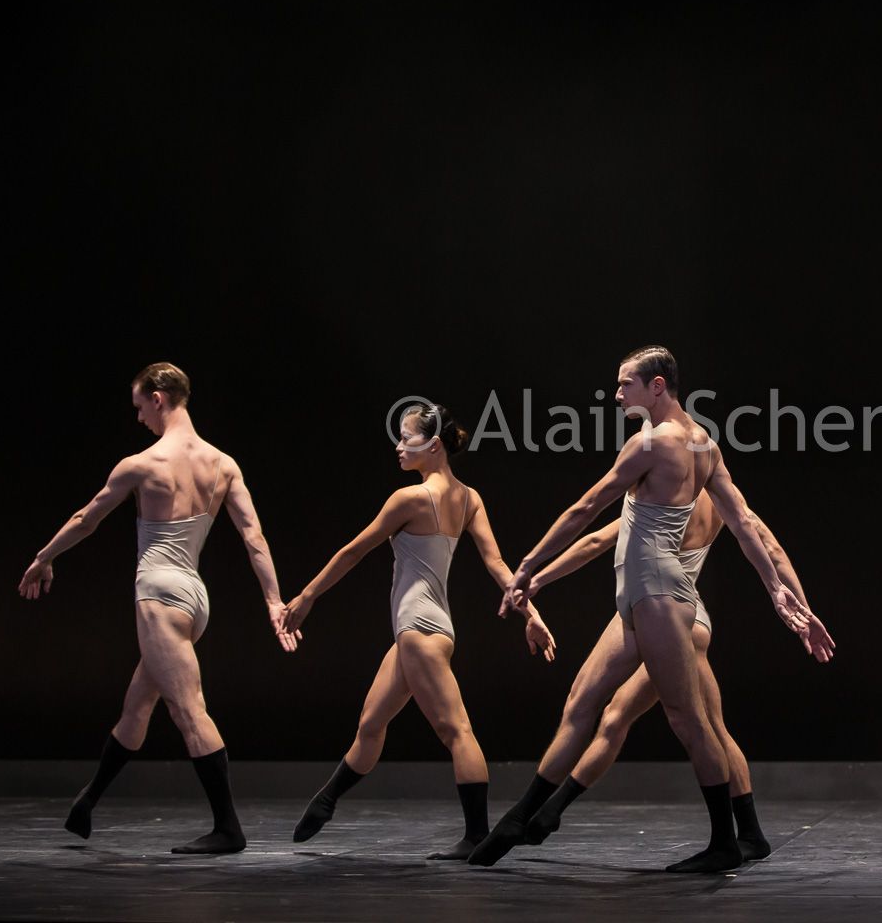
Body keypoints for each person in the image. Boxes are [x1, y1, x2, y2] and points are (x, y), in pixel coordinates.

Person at [469, 345, 833, 873]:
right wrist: (778, 590)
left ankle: (725, 841)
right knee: (585, 701)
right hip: (645, 597)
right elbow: (745, 526)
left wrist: (528, 565)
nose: (617, 395)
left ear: (656, 386)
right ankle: (522, 817)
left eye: (625, 385)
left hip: (660, 595)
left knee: (689, 720)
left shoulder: (652, 444)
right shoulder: (705, 444)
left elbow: (586, 509)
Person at [18, 362, 294, 854]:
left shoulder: (142, 464)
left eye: (140, 406)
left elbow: (86, 519)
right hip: (193, 595)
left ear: (159, 398)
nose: (139, 417)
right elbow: (254, 538)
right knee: (137, 707)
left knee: (188, 710)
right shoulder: (223, 464)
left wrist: (44, 557)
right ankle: (88, 800)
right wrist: (273, 600)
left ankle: (228, 828)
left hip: (159, 595)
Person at [282, 403, 558, 859]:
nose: (398, 446)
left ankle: (476, 835)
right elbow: (497, 565)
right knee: (371, 724)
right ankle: (326, 800)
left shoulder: (409, 499)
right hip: (432, 627)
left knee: (457, 730)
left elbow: (354, 551)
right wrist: (531, 613)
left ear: (433, 446)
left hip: (417, 627)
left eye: (406, 438)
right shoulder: (469, 498)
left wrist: (307, 596)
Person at [513, 487, 833, 861]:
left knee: (687, 725)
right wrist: (804, 613)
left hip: (669, 618)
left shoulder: (669, 495)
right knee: (635, 717)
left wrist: (537, 579)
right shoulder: (724, 500)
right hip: (686, 617)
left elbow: (597, 539)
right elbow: (773, 550)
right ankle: (552, 811)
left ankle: (550, 810)